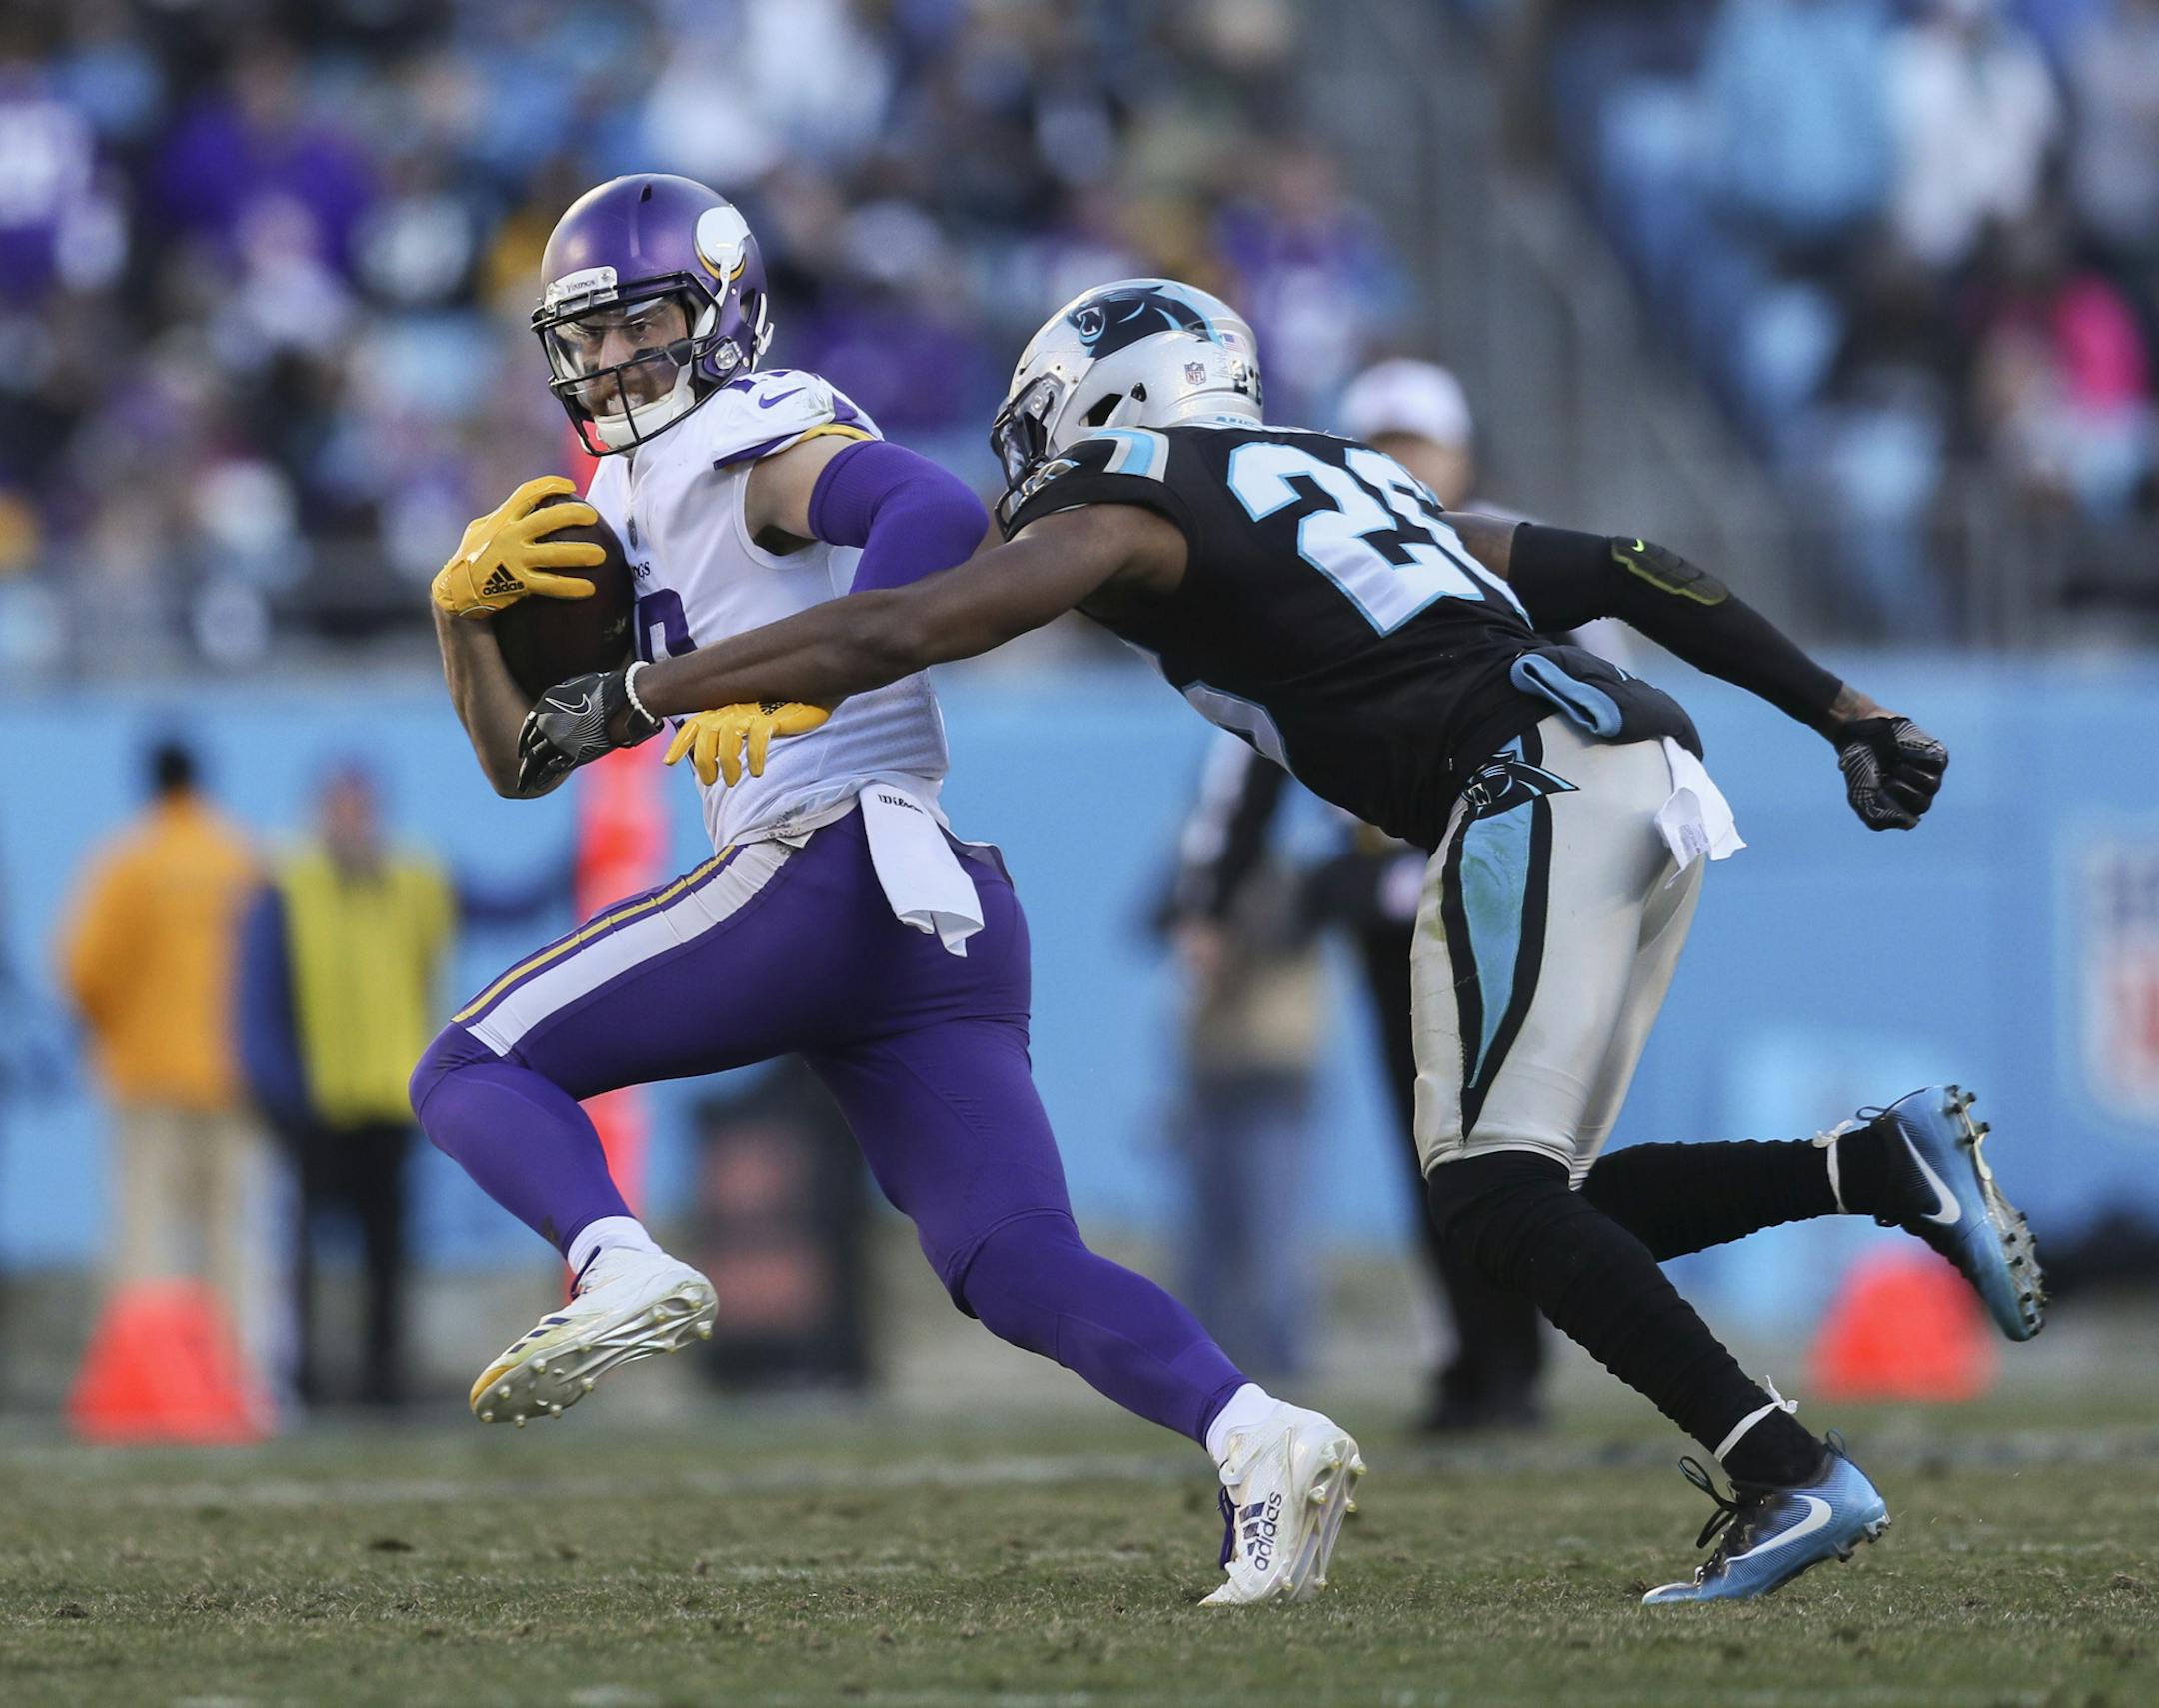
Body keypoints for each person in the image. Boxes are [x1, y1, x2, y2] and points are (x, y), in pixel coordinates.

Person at [525, 276, 2046, 1604]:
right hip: (1639, 764)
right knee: (1532, 1202)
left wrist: (652, 691)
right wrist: (1837, 708)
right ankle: (1871, 1171)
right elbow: (1632, 565)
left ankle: (1785, 1468)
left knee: (1497, 1201)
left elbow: (908, 625)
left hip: (1526, 773)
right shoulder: (1348, 473)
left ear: (1106, 398)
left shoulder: (1126, 494)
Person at [410, 178, 1360, 1608]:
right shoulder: (625, 491)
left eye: (645, 324)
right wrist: (456, 619)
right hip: (930, 909)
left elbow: (927, 508)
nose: (612, 364)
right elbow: (523, 762)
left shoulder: (752, 440)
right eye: (587, 339)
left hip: (824, 858)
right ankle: (1260, 1435)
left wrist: (810, 679)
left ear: (721, 317)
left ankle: (612, 1260)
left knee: (470, 1062)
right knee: (1012, 1260)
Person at [1169, 359, 1550, 1432]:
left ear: (1461, 453)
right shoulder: (1314, 560)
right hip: (1400, 899)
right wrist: (1211, 892)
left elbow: (1597, 709)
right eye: (1379, 439)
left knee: (1518, 1134)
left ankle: (1513, 1350)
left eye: (1417, 441)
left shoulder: (1510, 554)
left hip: (1512, 881)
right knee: (1431, 1138)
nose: (1401, 461)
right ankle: (1479, 1354)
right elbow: (1245, 741)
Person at [237, 765, 458, 1409]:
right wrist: (279, 1093)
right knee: (300, 1258)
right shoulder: (288, 887)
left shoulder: (413, 880)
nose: (353, 823)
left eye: (362, 810)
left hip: (388, 1101)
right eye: (342, 810)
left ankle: (382, 1382)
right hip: (319, 1105)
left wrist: (579, 857)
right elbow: (262, 996)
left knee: (388, 1257)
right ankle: (301, 1381)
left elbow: (494, 903)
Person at [56, 740, 269, 1364]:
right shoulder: (240, 858)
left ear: (149, 782)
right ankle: (236, 1382)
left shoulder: (128, 861)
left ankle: (146, 1381)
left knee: (145, 1239)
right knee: (231, 1238)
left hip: (147, 1076)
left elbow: (82, 971)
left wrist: (115, 1031)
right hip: (233, 1077)